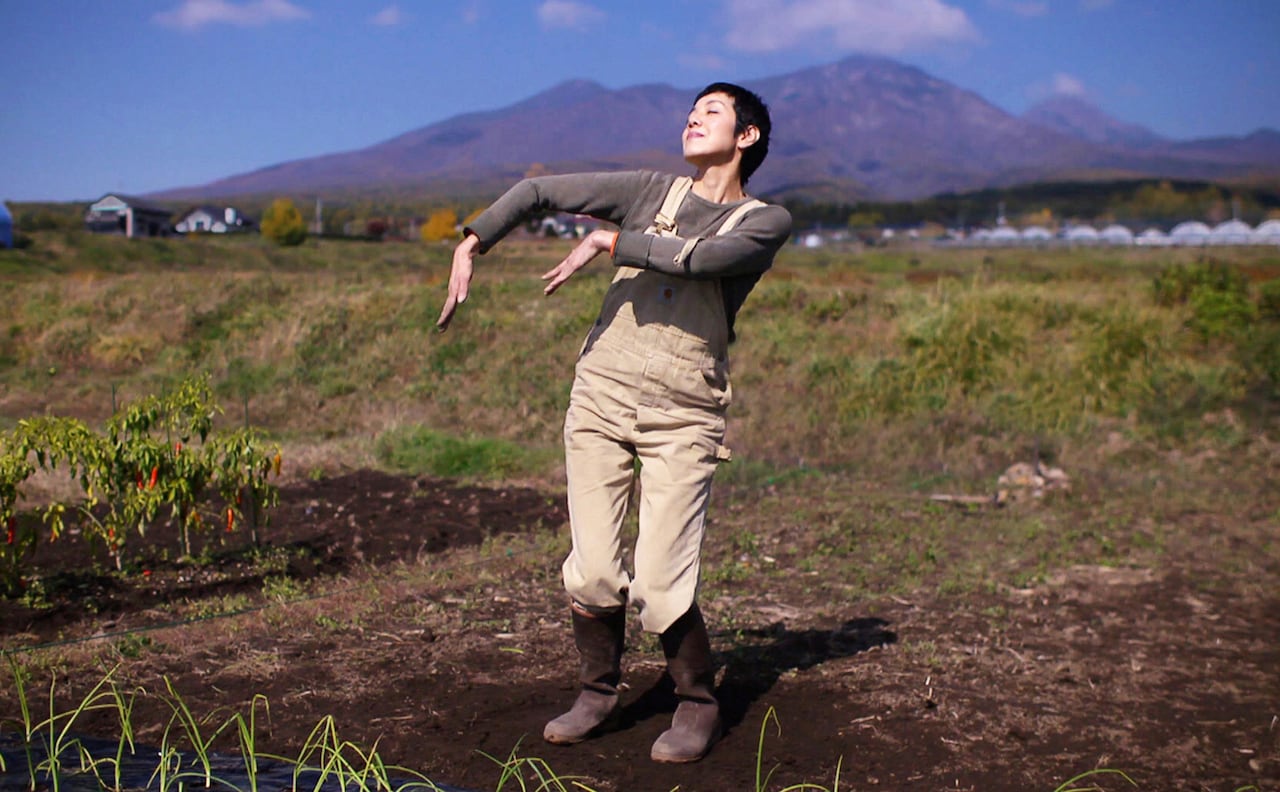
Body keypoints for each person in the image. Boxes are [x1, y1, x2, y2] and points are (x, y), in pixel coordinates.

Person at [436, 82, 792, 763]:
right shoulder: (649, 191)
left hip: (684, 413)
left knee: (660, 581)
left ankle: (696, 702)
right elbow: (538, 192)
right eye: (690, 111)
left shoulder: (764, 220)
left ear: (746, 137)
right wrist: (473, 240)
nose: (693, 118)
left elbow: (705, 261)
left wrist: (613, 243)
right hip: (601, 395)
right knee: (593, 571)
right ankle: (598, 690)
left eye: (711, 111)